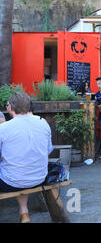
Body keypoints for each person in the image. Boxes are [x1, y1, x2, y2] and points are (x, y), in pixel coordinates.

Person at [0, 92, 53, 223]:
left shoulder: (4, 128)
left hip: (11, 182)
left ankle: (24, 212)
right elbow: (48, 150)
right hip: (40, 177)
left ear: (10, 108)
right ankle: (24, 212)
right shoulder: (43, 123)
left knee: (14, 171)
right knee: (19, 168)